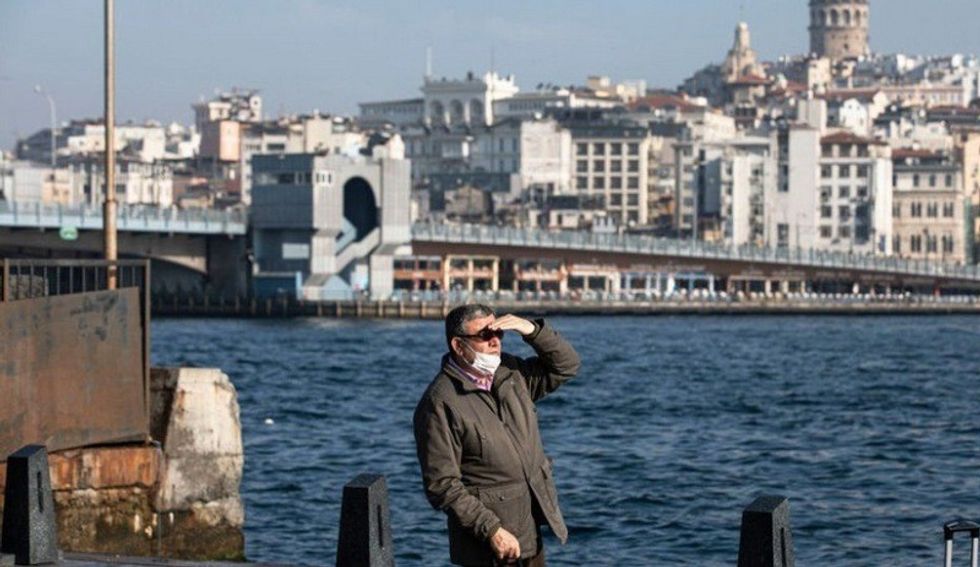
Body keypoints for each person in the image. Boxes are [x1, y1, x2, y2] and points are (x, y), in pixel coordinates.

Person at [413, 304, 581, 566]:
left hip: (528, 531)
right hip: (489, 545)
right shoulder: (439, 403)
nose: (495, 341)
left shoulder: (512, 374)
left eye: (498, 333)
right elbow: (442, 485)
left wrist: (531, 330)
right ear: (458, 346)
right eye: (484, 335)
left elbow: (567, 365)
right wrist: (491, 530)